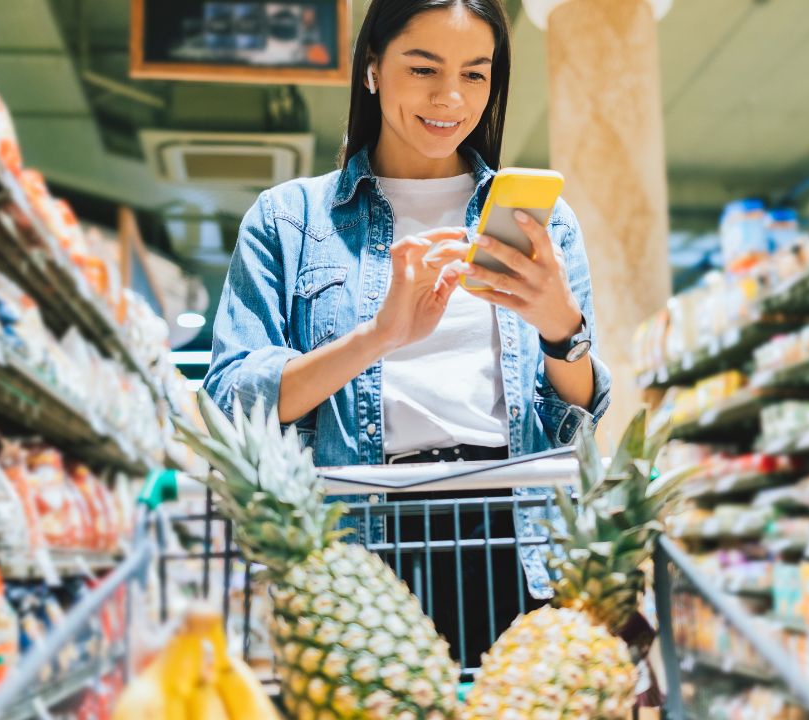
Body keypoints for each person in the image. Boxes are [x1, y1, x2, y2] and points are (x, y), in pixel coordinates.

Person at [203, 0, 611, 665]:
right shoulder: (288, 219)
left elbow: (575, 414)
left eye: (476, 74)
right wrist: (379, 336)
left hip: (513, 538)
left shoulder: (542, 222)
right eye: (423, 68)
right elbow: (232, 402)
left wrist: (562, 329)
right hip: (356, 539)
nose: (450, 97)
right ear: (371, 69)